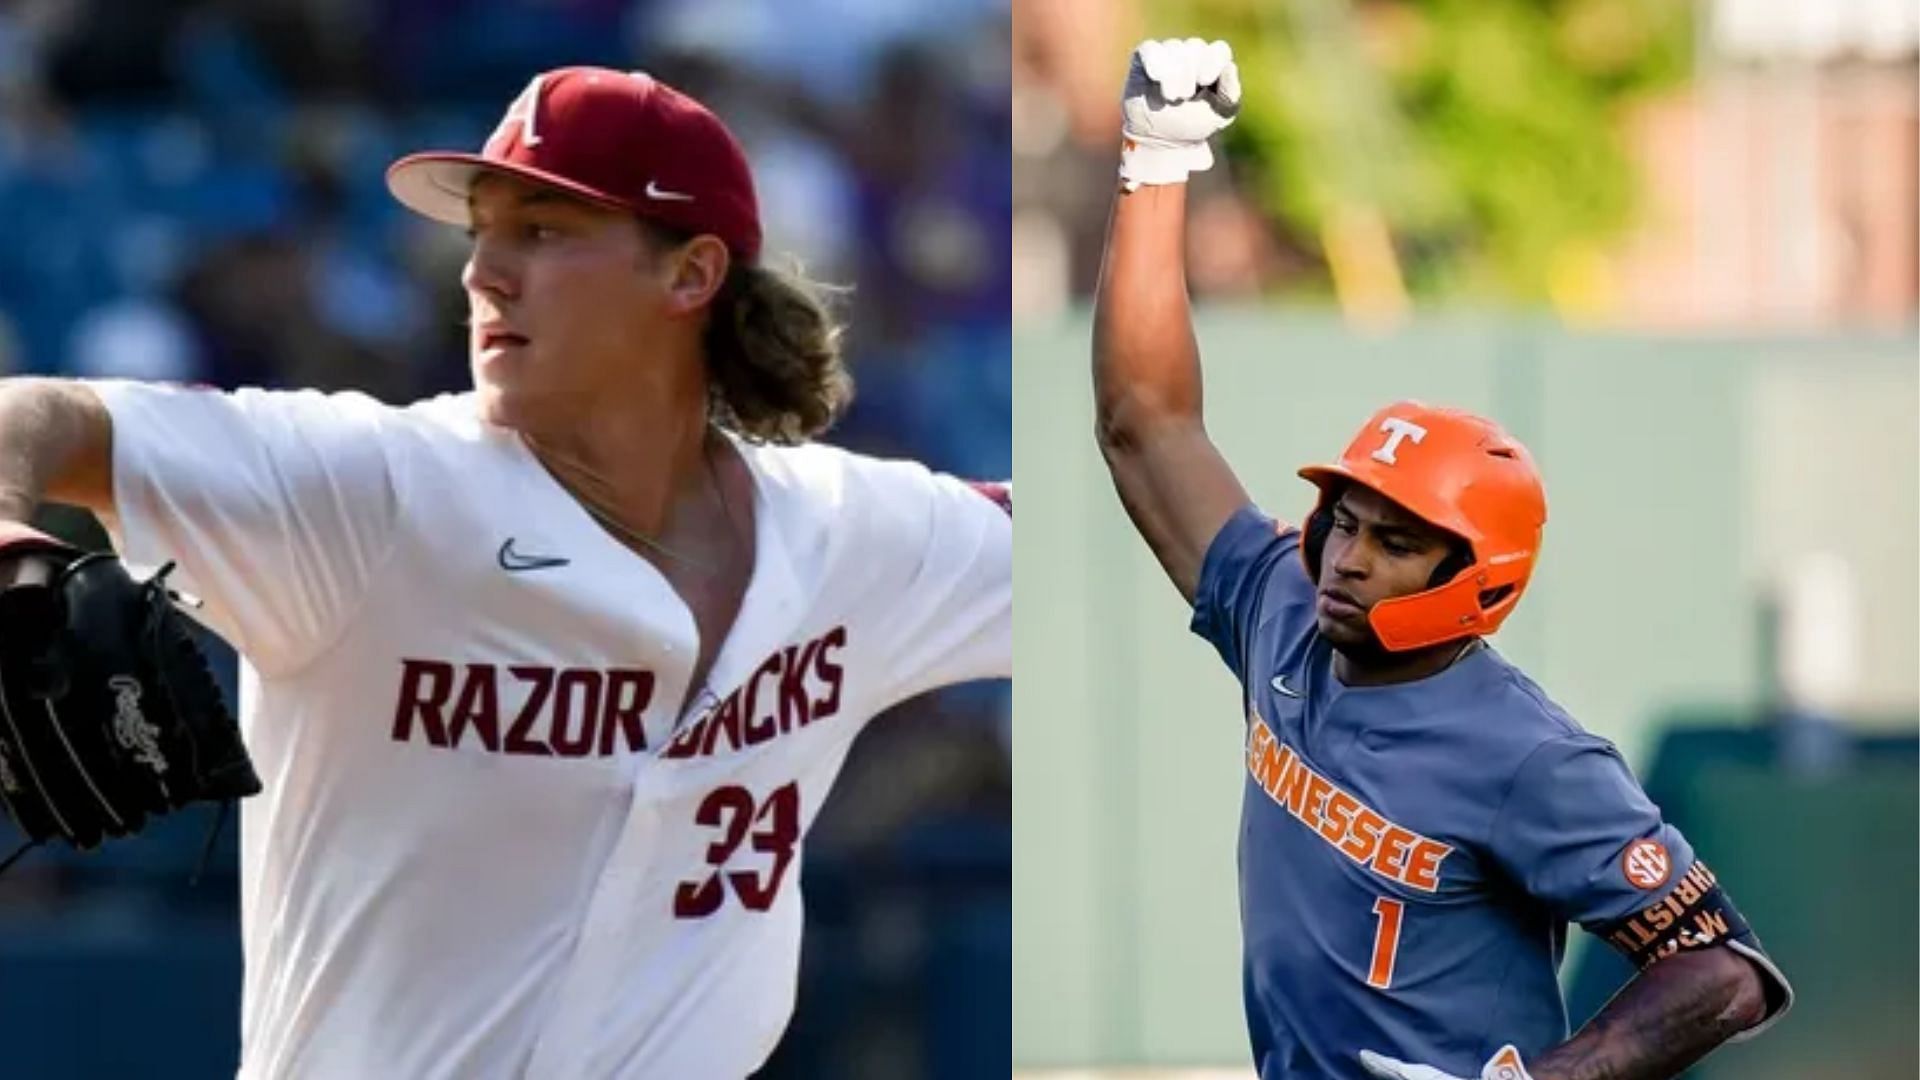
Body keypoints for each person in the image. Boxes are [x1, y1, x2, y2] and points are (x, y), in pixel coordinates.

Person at [0, 67, 1010, 1079]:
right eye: (480, 230)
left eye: (543, 229)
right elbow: (32, 415)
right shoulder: (370, 495)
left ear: (691, 275)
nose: (481, 271)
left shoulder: (848, 533)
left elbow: (1109, 536)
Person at [1090, 38, 1790, 1080]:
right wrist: (1155, 162)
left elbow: (1725, 971)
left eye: (1396, 539)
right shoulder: (1284, 614)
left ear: (1476, 580)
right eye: (1346, 519)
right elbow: (1146, 422)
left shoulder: (1531, 759)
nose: (1347, 556)